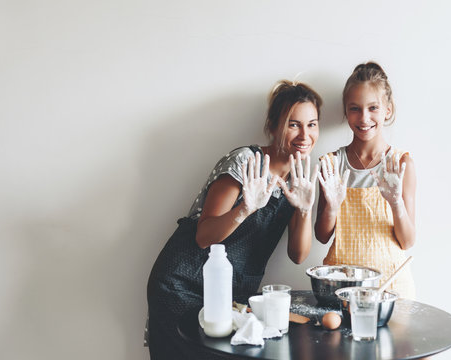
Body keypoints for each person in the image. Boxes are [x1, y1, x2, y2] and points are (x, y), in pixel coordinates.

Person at [146, 80, 323, 359]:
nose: (305, 134)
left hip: (230, 296)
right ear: (274, 125)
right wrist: (244, 209)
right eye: (293, 124)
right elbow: (204, 235)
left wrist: (303, 209)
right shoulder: (245, 162)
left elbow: (299, 256)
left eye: (312, 124)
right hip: (183, 284)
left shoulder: (299, 180)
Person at [315, 62, 416, 299]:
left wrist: (396, 204)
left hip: (392, 287)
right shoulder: (331, 164)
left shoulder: (402, 164)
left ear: (387, 110)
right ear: (345, 111)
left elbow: (408, 241)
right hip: (342, 288)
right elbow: (321, 236)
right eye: (354, 109)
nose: (364, 118)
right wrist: (331, 207)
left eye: (373, 108)